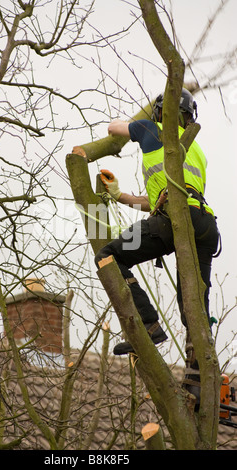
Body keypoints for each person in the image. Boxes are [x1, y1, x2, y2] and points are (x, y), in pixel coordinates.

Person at [94, 88, 220, 403]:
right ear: (190, 117)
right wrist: (118, 196)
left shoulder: (151, 129)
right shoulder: (196, 151)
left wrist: (138, 122)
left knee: (109, 255)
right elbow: (158, 199)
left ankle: (149, 324)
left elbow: (113, 128)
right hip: (204, 224)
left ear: (159, 113)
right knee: (194, 302)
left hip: (171, 221)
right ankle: (199, 380)